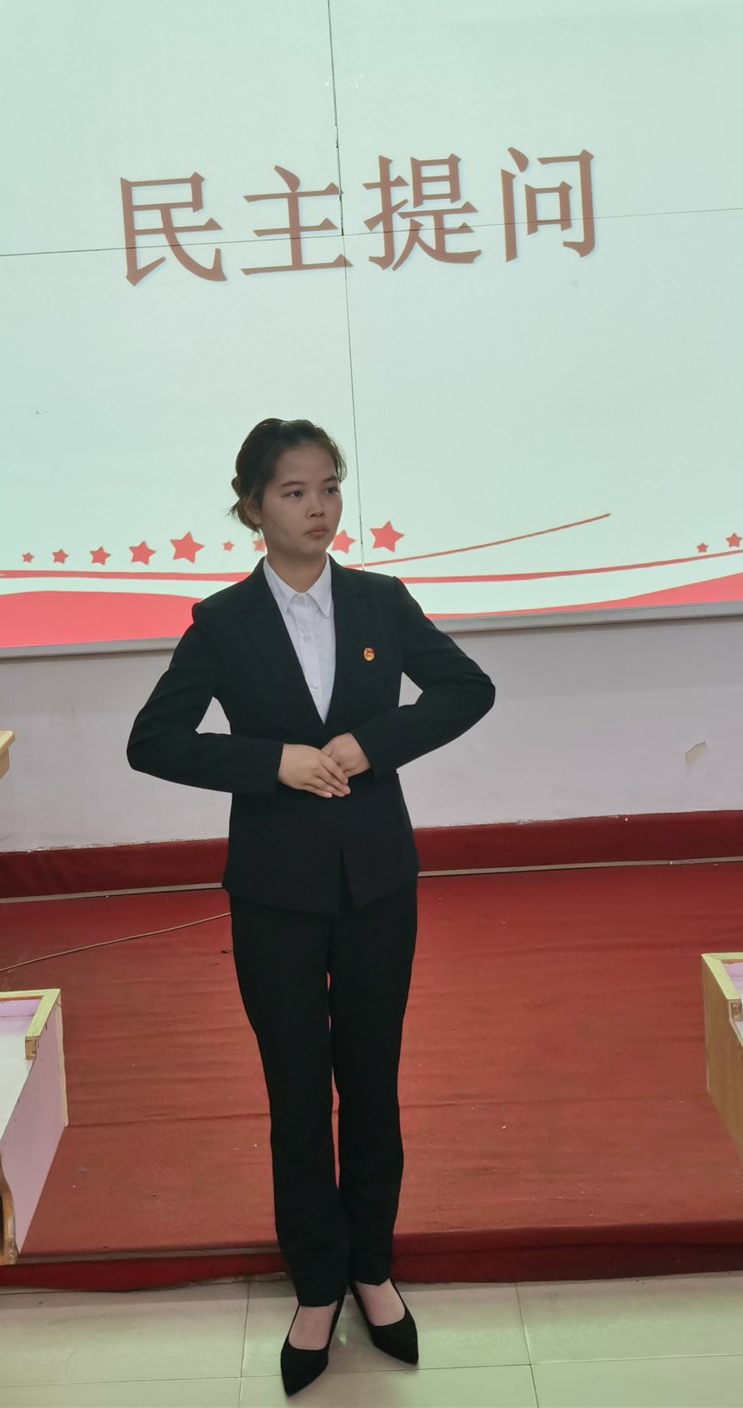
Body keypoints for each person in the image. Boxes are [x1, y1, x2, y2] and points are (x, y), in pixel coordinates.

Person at [128, 418, 495, 1397]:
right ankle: (317, 1283)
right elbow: (152, 740)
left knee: (371, 1082)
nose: (319, 507)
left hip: (378, 881)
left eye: (329, 486)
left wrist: (374, 743)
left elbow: (467, 688)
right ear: (251, 506)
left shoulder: (380, 599)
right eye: (294, 491)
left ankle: (372, 1266)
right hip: (275, 890)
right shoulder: (223, 621)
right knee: (297, 1093)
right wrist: (273, 762)